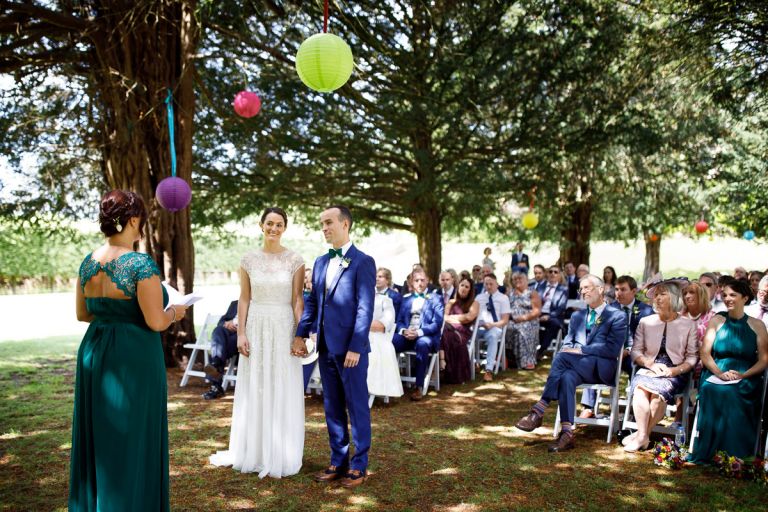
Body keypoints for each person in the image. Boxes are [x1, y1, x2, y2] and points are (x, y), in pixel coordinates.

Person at [69, 190, 189, 511]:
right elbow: (155, 321)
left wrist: (113, 316)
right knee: (133, 434)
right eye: (141, 223)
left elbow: (83, 314)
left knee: (100, 434)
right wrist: (176, 311)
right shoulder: (138, 264)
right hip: (132, 359)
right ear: (133, 220)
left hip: (95, 353)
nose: (141, 229)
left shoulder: (88, 261)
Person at [210, 207, 306, 479]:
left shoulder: (295, 260)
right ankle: (254, 450)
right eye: (269, 223)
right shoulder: (248, 259)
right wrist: (241, 333)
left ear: (285, 228)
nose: (274, 228)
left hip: (283, 325)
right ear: (261, 225)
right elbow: (244, 298)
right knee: (257, 384)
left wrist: (300, 334)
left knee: (281, 381)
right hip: (256, 324)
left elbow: (297, 300)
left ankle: (281, 452)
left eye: (279, 224)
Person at [293, 206, 376, 488]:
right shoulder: (319, 262)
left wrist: (356, 345)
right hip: (325, 348)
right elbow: (313, 303)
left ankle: (359, 464)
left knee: (356, 406)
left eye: (329, 223)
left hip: (351, 351)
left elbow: (365, 308)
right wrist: (301, 333)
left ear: (345, 224)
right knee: (332, 407)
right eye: (322, 224)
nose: (324, 228)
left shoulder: (363, 262)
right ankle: (337, 461)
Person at [514, 275, 626, 453]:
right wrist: (571, 350)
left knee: (561, 358)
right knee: (566, 376)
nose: (583, 291)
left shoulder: (617, 316)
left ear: (601, 289)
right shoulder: (577, 316)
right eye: (581, 288)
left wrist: (582, 351)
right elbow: (567, 343)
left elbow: (612, 349)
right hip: (576, 367)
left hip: (601, 368)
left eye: (587, 287)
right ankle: (567, 433)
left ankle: (539, 409)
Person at [689, 279, 768, 463]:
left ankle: (734, 455)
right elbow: (705, 353)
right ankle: (709, 451)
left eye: (733, 295)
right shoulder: (717, 319)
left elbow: (764, 360)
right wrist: (719, 373)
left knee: (733, 392)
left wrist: (743, 375)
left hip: (746, 374)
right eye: (724, 295)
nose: (727, 299)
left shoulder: (757, 325)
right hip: (717, 371)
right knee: (711, 389)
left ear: (745, 297)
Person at [622, 278, 698, 452]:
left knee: (657, 397)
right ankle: (643, 437)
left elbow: (693, 357)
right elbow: (636, 351)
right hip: (649, 366)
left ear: (674, 297)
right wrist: (649, 364)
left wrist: (674, 371)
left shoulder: (689, 324)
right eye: (655, 295)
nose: (657, 298)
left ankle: (641, 435)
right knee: (641, 389)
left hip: (676, 369)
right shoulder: (646, 322)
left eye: (662, 294)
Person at [579, 275, 653, 418]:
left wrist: (629, 351)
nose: (618, 293)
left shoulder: (646, 311)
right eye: (617, 289)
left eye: (623, 290)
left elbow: (648, 339)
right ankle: (588, 406)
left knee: (636, 369)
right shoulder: (608, 309)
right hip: (610, 353)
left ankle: (636, 407)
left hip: (634, 355)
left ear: (634, 291)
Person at [392, 268, 445, 400]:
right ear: (411, 282)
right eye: (416, 280)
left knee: (422, 343)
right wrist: (404, 331)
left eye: (422, 280)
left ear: (427, 281)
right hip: (407, 335)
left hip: (425, 336)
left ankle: (418, 386)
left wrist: (419, 333)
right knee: (390, 341)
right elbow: (398, 321)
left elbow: (436, 324)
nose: (420, 283)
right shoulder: (406, 299)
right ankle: (390, 382)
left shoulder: (436, 298)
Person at [367, 284, 403, 400]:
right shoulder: (351, 300)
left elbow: (383, 325)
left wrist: (357, 324)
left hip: (378, 337)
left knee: (377, 348)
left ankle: (367, 389)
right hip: (355, 335)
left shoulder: (385, 300)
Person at [440, 276, 479, 384]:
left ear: (470, 290)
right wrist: (461, 318)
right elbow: (444, 317)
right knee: (442, 333)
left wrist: (452, 318)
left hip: (462, 333)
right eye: (462, 285)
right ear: (458, 286)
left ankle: (441, 362)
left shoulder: (474, 303)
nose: (464, 288)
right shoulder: (451, 302)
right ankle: (441, 362)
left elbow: (469, 317)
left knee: (444, 334)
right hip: (447, 329)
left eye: (467, 287)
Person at [475, 273, 511, 381]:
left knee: (493, 335)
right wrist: (481, 323)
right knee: (466, 334)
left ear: (497, 284)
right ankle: (471, 364)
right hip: (480, 327)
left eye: (491, 284)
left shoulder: (503, 298)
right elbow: (474, 315)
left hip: (495, 327)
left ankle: (488, 370)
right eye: (486, 284)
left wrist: (492, 325)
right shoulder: (479, 297)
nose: (489, 286)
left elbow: (505, 320)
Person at [202, 299, 239, 400]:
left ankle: (216, 386)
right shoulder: (235, 303)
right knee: (218, 330)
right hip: (226, 337)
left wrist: (236, 322)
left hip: (242, 338)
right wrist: (226, 324)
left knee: (219, 349)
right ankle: (217, 362)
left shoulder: (256, 303)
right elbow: (221, 321)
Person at [506, 272, 541, 370]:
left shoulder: (532, 292)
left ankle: (528, 361)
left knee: (523, 329)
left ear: (526, 280)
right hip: (512, 320)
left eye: (520, 278)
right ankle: (511, 360)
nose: (517, 280)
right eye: (515, 279)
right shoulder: (510, 293)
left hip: (530, 320)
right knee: (506, 328)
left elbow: (537, 311)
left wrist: (523, 318)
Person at [537, 265, 568, 360]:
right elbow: (534, 302)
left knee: (554, 324)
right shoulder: (540, 287)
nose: (553, 274)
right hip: (538, 314)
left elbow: (561, 307)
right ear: (547, 274)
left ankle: (540, 351)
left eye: (555, 272)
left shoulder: (563, 289)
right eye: (550, 271)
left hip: (554, 316)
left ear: (559, 275)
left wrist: (548, 316)